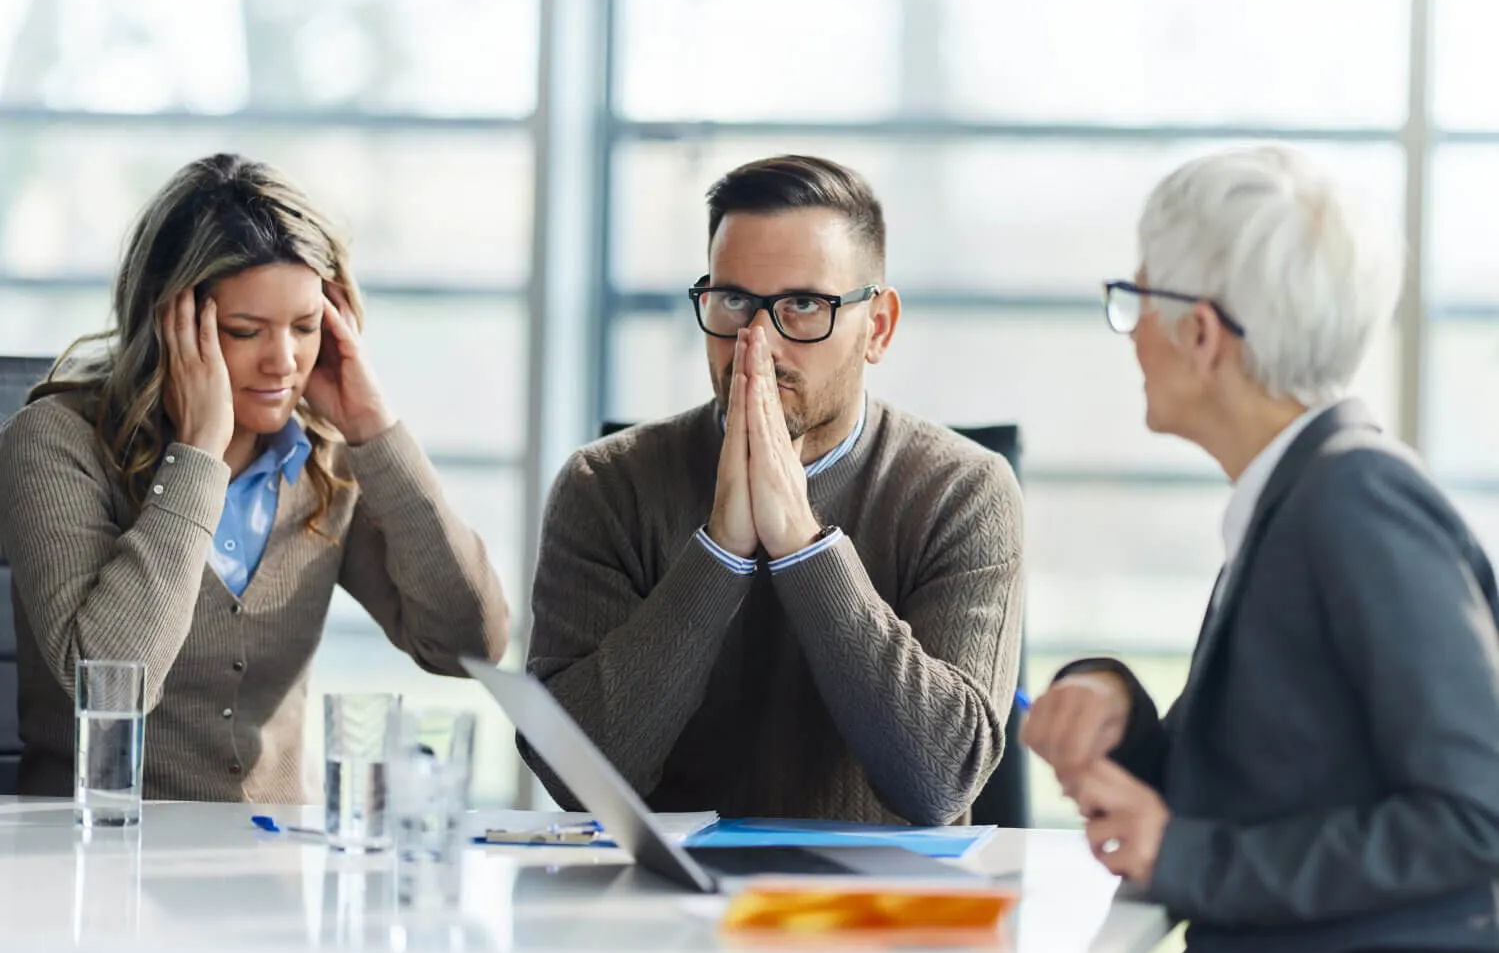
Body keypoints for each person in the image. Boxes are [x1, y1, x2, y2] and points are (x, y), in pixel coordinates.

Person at [1021, 145, 1499, 953]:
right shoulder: (1297, 495)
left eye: (1135, 300)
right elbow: (1251, 786)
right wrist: (1115, 707)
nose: (1132, 335)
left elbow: (1476, 816)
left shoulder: (1354, 501)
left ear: (1200, 332)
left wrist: (1183, 858)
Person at [523, 154, 1023, 826]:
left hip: (881, 917)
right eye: (733, 301)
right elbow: (574, 777)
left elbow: (937, 781)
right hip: (655, 913)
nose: (755, 342)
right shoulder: (606, 485)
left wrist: (802, 546)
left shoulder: (963, 490)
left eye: (802, 305)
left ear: (876, 327)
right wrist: (720, 551)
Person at [0, 153, 509, 804]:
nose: (283, 362)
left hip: (269, 876)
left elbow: (469, 644)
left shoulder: (326, 457)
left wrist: (375, 430)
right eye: (245, 331)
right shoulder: (52, 442)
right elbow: (109, 679)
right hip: (96, 860)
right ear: (169, 327)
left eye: (304, 328)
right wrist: (199, 456)